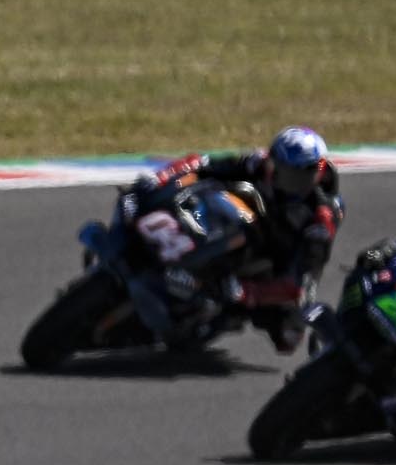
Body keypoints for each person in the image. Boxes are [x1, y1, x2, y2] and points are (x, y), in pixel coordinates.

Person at [128, 125, 340, 346]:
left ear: (318, 171)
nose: (284, 181)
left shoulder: (320, 219)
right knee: (195, 189)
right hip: (241, 227)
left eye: (296, 176)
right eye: (281, 171)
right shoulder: (260, 164)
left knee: (289, 334)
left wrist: (247, 292)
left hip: (277, 262)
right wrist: (162, 178)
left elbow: (300, 282)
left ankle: (211, 313)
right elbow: (204, 163)